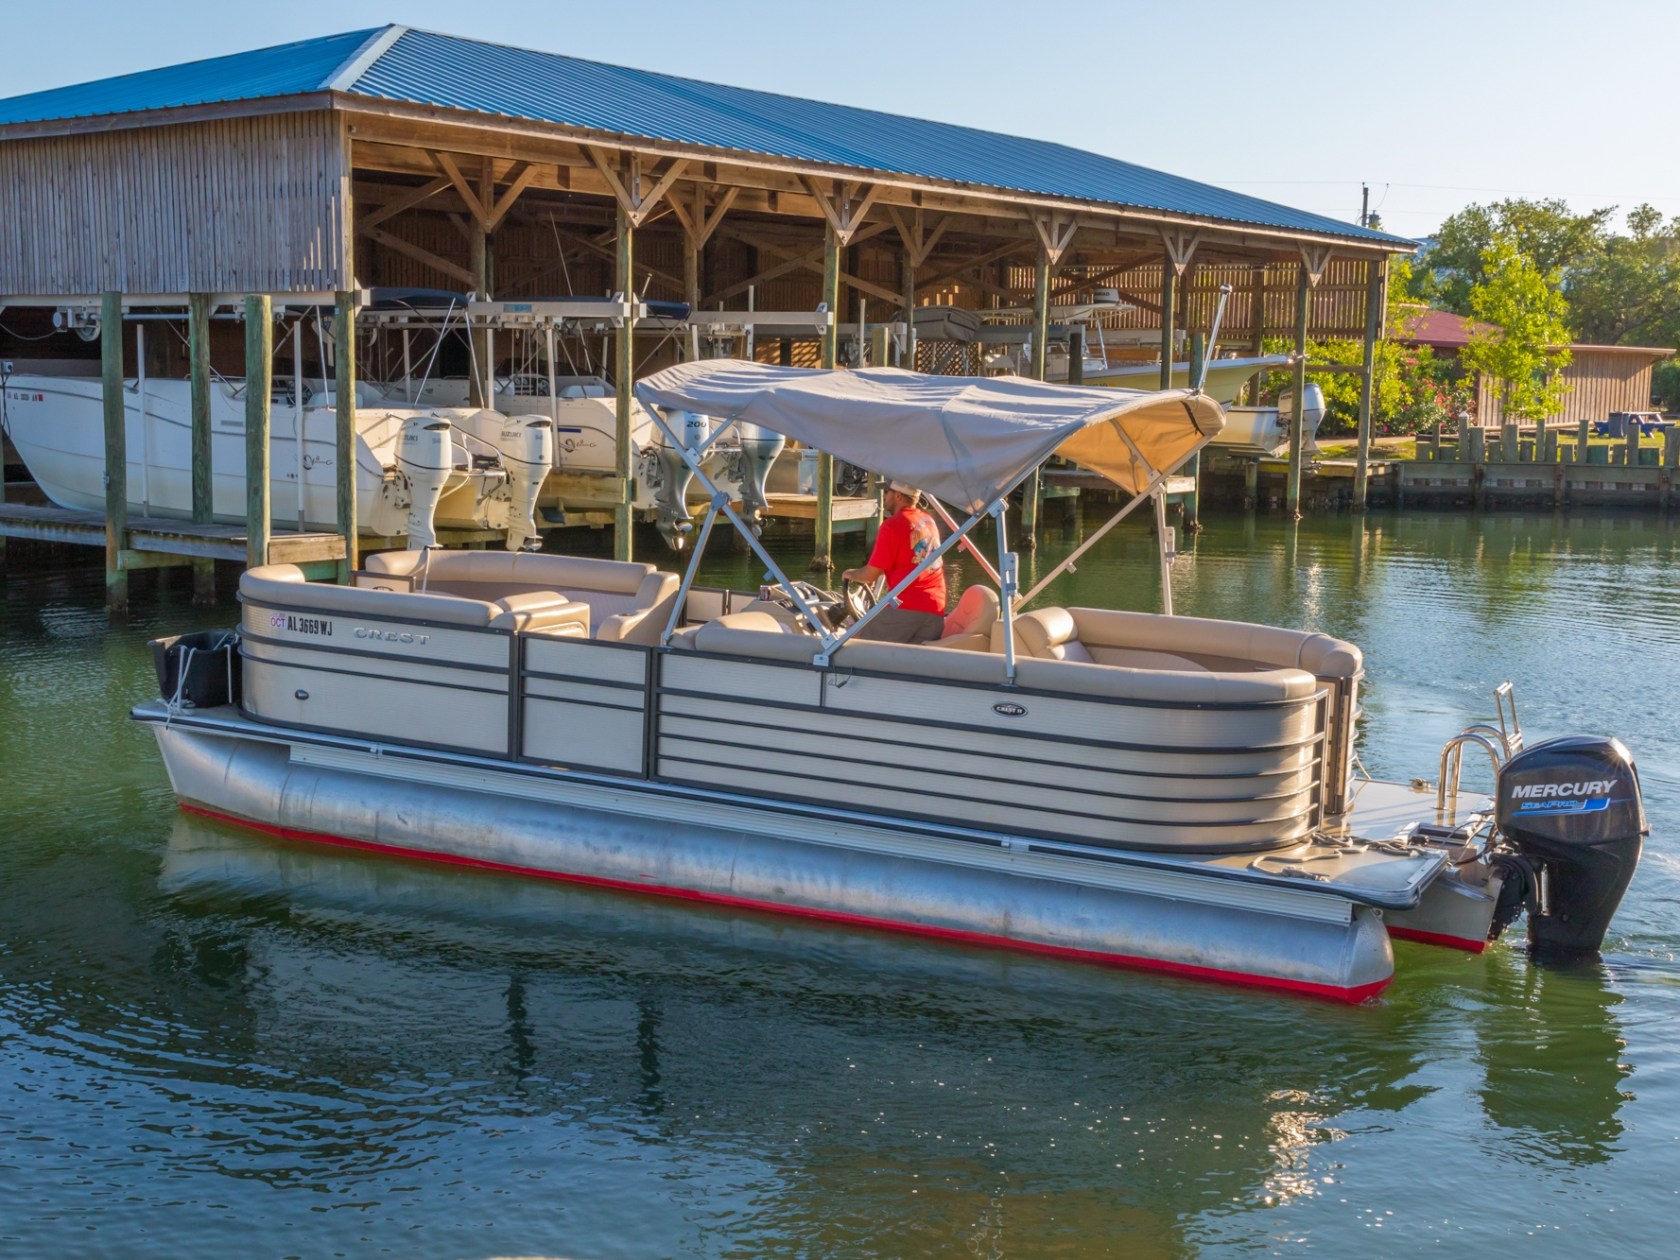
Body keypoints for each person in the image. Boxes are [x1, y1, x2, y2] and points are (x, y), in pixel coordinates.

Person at [841, 481, 947, 643]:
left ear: (898, 496)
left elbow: (868, 576)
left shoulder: (892, 525)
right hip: (935, 609)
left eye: (887, 492)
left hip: (907, 606)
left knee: (853, 640)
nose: (884, 496)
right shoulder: (928, 520)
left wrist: (848, 574)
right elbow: (910, 562)